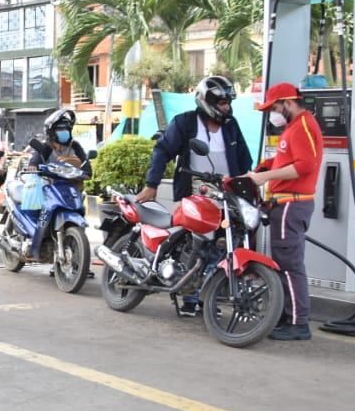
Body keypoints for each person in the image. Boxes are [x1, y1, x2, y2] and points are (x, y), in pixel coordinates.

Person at [247, 82, 323, 342]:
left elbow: (304, 165)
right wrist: (263, 167)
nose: (273, 113)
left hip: (292, 203)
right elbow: (287, 160)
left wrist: (265, 176)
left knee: (290, 265)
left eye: (275, 108)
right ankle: (285, 315)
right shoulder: (293, 128)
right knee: (282, 263)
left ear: (288, 103)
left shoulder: (302, 125)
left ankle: (297, 322)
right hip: (285, 203)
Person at [137, 76, 253, 204]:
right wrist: (151, 185)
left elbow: (244, 161)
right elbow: (162, 152)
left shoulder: (231, 125)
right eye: (222, 103)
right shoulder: (184, 122)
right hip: (192, 200)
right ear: (205, 101)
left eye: (228, 103)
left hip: (228, 199)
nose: (227, 108)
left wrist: (247, 189)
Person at [24, 108, 93, 255]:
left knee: (80, 216)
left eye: (66, 129)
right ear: (51, 131)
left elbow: (86, 165)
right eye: (60, 129)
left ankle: (77, 259)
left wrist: (86, 171)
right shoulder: (46, 147)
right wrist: (33, 167)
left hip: (72, 188)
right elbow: (35, 161)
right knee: (39, 213)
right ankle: (36, 241)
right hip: (50, 187)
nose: (64, 132)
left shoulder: (75, 146)